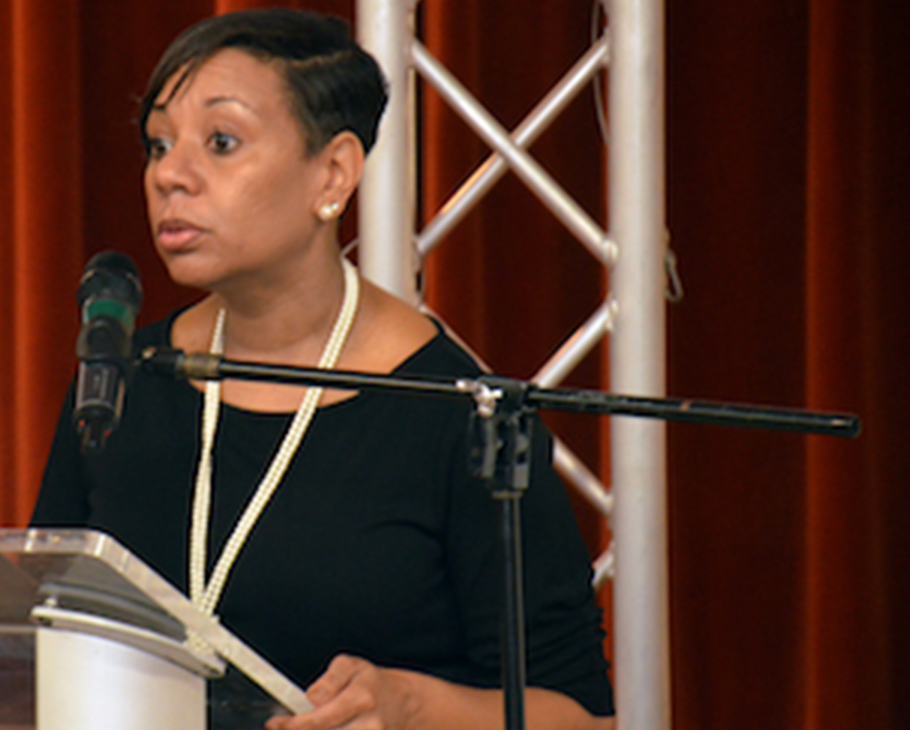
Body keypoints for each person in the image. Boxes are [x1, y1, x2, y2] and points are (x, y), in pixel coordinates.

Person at [32, 8, 614, 730]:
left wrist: (410, 707)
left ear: (333, 171)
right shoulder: (124, 379)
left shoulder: (457, 414)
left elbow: (582, 717)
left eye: (220, 142)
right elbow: (37, 643)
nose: (171, 176)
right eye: (157, 145)